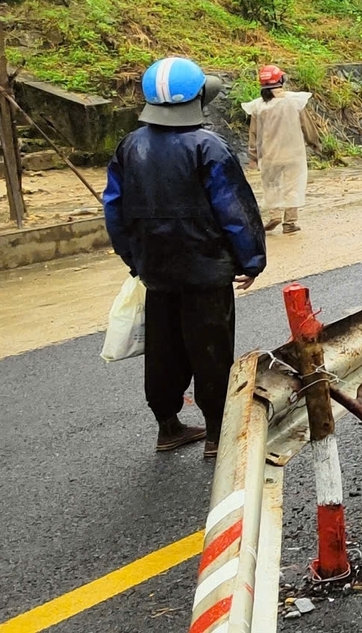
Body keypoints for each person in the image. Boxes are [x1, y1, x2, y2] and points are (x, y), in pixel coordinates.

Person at [104, 57, 267, 457]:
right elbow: (234, 209)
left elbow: (114, 208)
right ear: (197, 98)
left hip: (155, 272)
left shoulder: (131, 146)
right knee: (209, 348)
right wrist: (251, 260)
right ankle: (215, 433)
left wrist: (134, 259)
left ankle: (168, 426)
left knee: (164, 348)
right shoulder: (208, 147)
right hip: (206, 271)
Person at [243, 64, 317, 233]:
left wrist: (253, 156)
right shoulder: (295, 101)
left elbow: (254, 134)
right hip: (293, 154)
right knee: (293, 186)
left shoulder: (257, 106)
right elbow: (307, 126)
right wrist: (314, 142)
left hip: (269, 156)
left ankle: (274, 215)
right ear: (281, 80)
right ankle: (290, 222)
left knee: (271, 185)